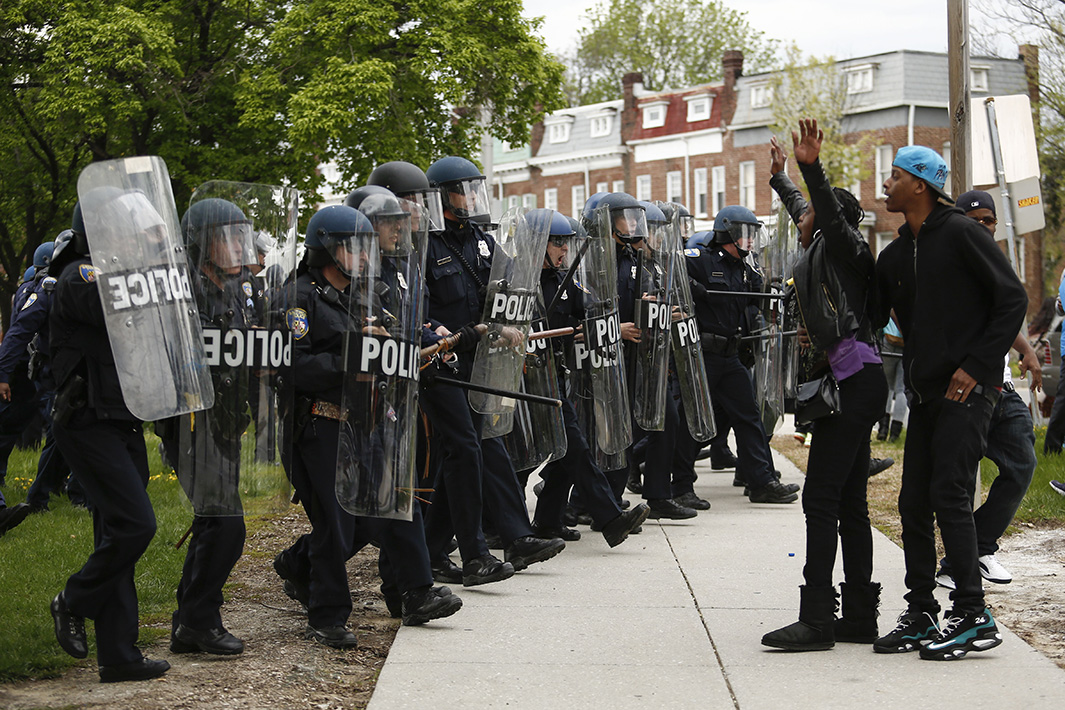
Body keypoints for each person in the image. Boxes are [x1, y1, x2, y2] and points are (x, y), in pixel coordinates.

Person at [279, 204, 462, 648]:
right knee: (336, 522)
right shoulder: (297, 298)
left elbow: (383, 352)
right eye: (354, 246)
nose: (365, 255)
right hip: (318, 425)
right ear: (328, 248)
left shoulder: (362, 297)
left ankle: (416, 592)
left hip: (369, 419)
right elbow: (291, 366)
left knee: (396, 503)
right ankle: (327, 615)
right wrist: (353, 357)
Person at [873, 146, 1027, 661]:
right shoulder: (895, 255)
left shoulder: (961, 232)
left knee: (950, 495)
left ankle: (972, 613)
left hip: (969, 391)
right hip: (925, 396)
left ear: (920, 184)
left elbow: (1012, 298)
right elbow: (872, 312)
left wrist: (978, 364)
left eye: (894, 176)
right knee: (913, 503)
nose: (886, 183)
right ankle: (920, 613)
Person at [760, 119, 887, 651]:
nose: (802, 217)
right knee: (852, 503)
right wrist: (782, 178)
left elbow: (825, 213)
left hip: (853, 381)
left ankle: (816, 619)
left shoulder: (848, 250)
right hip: (852, 381)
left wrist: (811, 166)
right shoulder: (817, 246)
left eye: (812, 210)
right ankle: (858, 615)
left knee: (821, 497)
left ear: (833, 220)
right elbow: (804, 210)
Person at [420, 156, 564, 585]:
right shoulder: (426, 244)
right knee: (469, 449)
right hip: (444, 363)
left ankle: (433, 550)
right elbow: (419, 309)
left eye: (476, 189)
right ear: (443, 197)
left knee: (470, 452)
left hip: (482, 362)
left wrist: (514, 318)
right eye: (465, 190)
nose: (474, 198)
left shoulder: (482, 241)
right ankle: (495, 545)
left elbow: (510, 286)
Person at [48, 200, 171, 682]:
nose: (136, 240)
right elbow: (125, 304)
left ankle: (118, 655)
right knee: (136, 525)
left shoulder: (128, 277)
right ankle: (72, 599)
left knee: (116, 531)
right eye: (128, 233)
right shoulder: (82, 275)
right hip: (86, 420)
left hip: (122, 418)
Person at [934, 190, 1039, 590]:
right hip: (961, 386)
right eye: (973, 220)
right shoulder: (946, 263)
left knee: (1022, 464)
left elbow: (1007, 314)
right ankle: (960, 561)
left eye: (988, 222)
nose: (982, 228)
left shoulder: (997, 263)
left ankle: (976, 549)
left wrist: (1027, 350)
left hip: (1001, 384)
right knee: (955, 480)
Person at [528, 208, 650, 544]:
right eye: (557, 243)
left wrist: (617, 322)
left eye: (566, 243)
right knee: (545, 455)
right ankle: (608, 517)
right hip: (524, 380)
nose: (564, 250)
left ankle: (550, 521)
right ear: (538, 244)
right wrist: (601, 331)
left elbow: (589, 317)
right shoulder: (520, 282)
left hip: (553, 377)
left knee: (570, 449)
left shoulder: (562, 281)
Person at [685, 206, 799, 505]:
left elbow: (756, 305)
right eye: (745, 234)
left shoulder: (749, 269)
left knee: (750, 419)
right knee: (691, 421)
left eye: (753, 234)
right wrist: (691, 288)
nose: (751, 240)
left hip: (732, 356)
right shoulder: (699, 261)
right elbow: (667, 274)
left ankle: (762, 482)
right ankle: (679, 486)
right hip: (704, 356)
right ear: (728, 233)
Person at [0, 239, 81, 512]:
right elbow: (18, 333)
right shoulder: (41, 290)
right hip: (40, 372)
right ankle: (41, 496)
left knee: (61, 430)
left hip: (47, 371)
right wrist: (3, 373)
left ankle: (59, 489)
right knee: (56, 429)